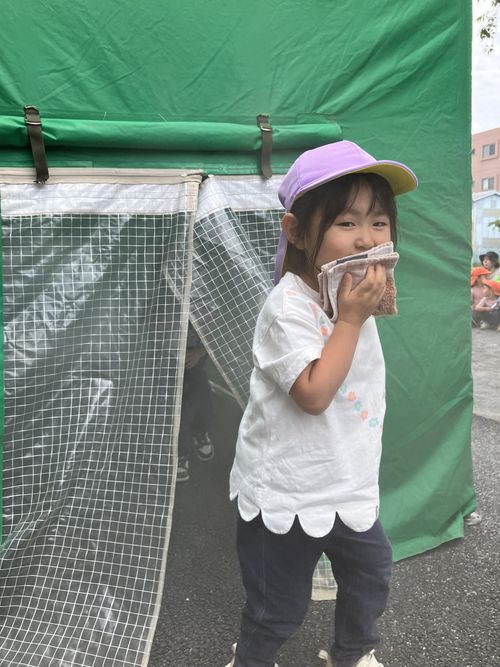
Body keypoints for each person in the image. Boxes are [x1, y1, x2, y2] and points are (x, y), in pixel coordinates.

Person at [226, 141, 418, 667]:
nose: (367, 239)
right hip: (286, 492)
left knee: (371, 577)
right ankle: (251, 658)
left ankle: (352, 654)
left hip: (348, 483)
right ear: (296, 231)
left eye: (379, 223)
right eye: (346, 223)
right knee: (277, 606)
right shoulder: (286, 307)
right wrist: (351, 320)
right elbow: (313, 394)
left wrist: (354, 312)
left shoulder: (350, 294)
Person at [177, 322, 214, 483]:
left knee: (202, 400)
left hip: (196, 359)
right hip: (169, 354)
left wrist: (200, 352)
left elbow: (220, 331)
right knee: (177, 408)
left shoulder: (208, 307)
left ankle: (199, 431)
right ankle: (180, 451)